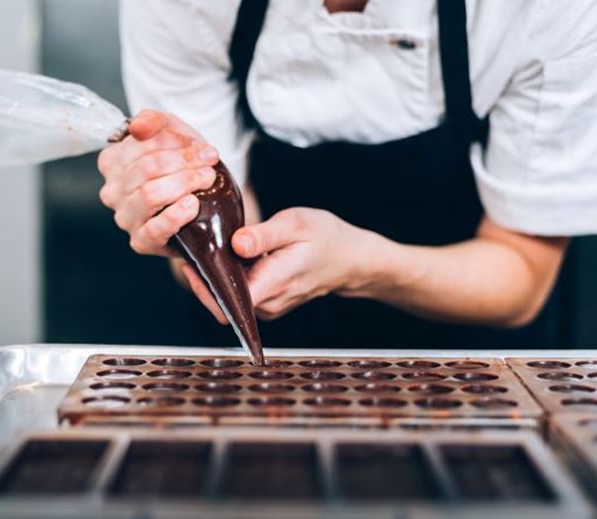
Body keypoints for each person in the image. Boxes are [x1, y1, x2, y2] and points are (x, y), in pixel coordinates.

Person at [98, 0, 597, 349]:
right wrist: (173, 208)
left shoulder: (543, 10)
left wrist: (364, 264)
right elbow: (211, 215)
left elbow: (523, 275)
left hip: (471, 375)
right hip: (256, 368)